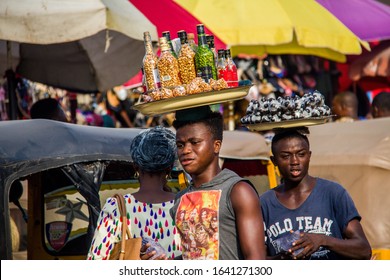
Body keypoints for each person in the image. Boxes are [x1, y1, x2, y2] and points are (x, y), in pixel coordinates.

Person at [170, 105, 266, 260]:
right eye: (180, 145)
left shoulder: (238, 191)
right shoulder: (180, 198)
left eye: (194, 142)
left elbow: (256, 259)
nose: (185, 150)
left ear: (216, 145)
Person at [260, 127, 372, 260]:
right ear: (274, 161)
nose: (295, 162)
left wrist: (322, 240)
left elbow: (364, 250)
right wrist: (284, 258)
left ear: (309, 155)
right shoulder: (264, 203)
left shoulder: (333, 193)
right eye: (286, 156)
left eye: (301, 154)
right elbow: (256, 260)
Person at [87, 126, 181, 260]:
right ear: (169, 168)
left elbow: (95, 261)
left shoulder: (116, 207)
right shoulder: (185, 205)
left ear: (135, 166)